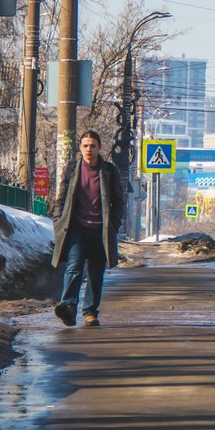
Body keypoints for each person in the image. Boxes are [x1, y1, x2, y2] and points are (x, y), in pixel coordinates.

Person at [49, 130, 125, 327]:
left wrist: (114, 224)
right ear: (80, 148)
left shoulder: (109, 171)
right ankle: (68, 307)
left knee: (95, 272)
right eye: (85, 145)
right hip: (76, 229)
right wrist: (58, 219)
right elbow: (62, 197)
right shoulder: (72, 169)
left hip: (100, 230)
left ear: (99, 148)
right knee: (73, 267)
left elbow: (118, 201)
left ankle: (90, 312)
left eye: (92, 145)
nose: (89, 149)